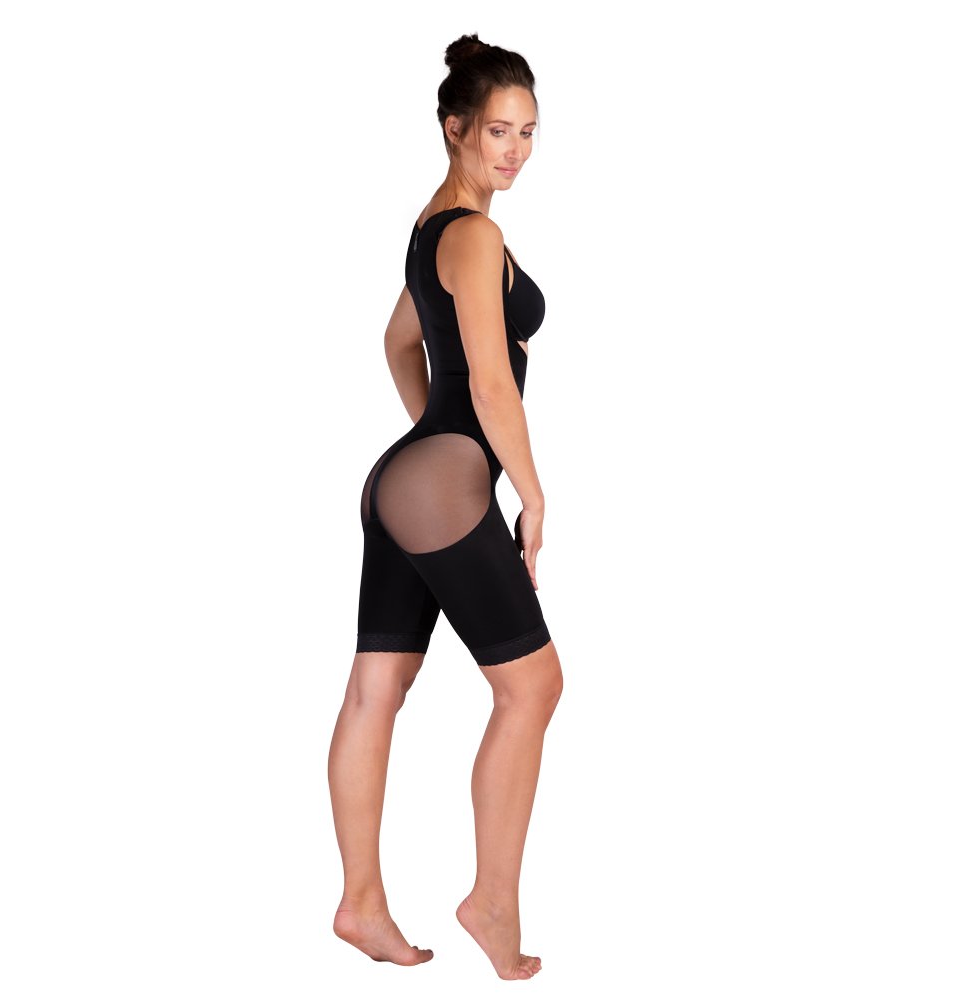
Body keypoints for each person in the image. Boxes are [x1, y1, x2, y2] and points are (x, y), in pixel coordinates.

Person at [327, 33, 564, 982]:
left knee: (374, 689)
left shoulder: (433, 228)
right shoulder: (474, 234)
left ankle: (361, 903)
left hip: (404, 482)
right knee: (532, 688)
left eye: (529, 132)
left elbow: (397, 341)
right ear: (455, 127)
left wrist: (431, 437)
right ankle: (491, 903)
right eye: (498, 130)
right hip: (444, 485)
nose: (515, 150)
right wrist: (532, 495)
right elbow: (493, 386)